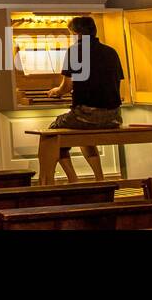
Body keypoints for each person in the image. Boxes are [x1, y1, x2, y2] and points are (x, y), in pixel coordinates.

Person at [45, 16, 125, 182]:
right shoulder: (111, 51)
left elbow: (66, 87)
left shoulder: (75, 51)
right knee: (83, 136)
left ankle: (74, 180)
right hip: (114, 116)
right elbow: (116, 81)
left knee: (52, 135)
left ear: (76, 33)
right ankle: (99, 179)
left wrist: (56, 92)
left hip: (86, 115)